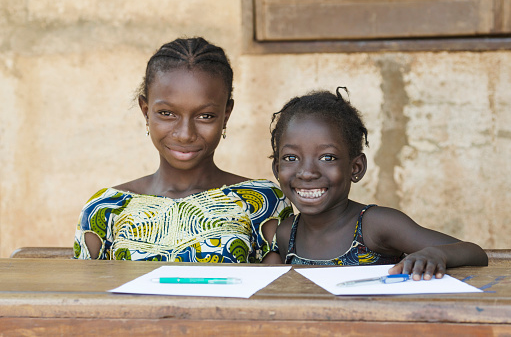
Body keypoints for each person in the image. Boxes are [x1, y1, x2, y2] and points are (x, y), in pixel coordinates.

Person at [74, 37, 292, 262]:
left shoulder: (262, 202)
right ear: (145, 111)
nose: (186, 134)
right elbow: (91, 294)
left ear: (226, 115)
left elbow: (274, 291)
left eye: (205, 116)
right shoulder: (106, 209)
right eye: (167, 113)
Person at [268, 87, 488, 279]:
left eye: (327, 158)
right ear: (277, 170)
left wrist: (435, 254)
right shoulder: (287, 233)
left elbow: (475, 252)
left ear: (356, 168)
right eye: (291, 158)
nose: (307, 173)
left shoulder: (375, 225)